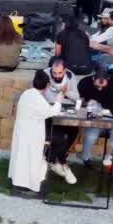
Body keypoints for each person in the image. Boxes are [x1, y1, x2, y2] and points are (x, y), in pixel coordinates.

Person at [8, 70, 63, 192]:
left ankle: (18, 181)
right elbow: (52, 112)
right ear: (47, 85)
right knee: (31, 158)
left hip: (22, 131)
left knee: (21, 157)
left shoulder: (27, 93)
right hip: (31, 134)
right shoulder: (38, 100)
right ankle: (29, 183)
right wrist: (58, 100)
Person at [77, 67, 113, 168]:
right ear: (93, 79)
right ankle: (86, 158)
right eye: (97, 86)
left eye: (103, 86)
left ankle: (111, 157)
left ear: (108, 79)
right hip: (96, 117)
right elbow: (79, 101)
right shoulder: (84, 82)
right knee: (91, 136)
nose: (100, 88)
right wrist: (87, 103)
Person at [43, 57, 80, 185]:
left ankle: (53, 159)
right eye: (54, 73)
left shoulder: (70, 76)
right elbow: (45, 96)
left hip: (66, 109)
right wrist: (57, 93)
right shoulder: (45, 74)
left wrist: (66, 91)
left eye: (60, 73)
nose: (57, 75)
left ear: (65, 70)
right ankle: (63, 164)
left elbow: (76, 97)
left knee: (74, 131)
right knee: (60, 137)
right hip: (50, 111)